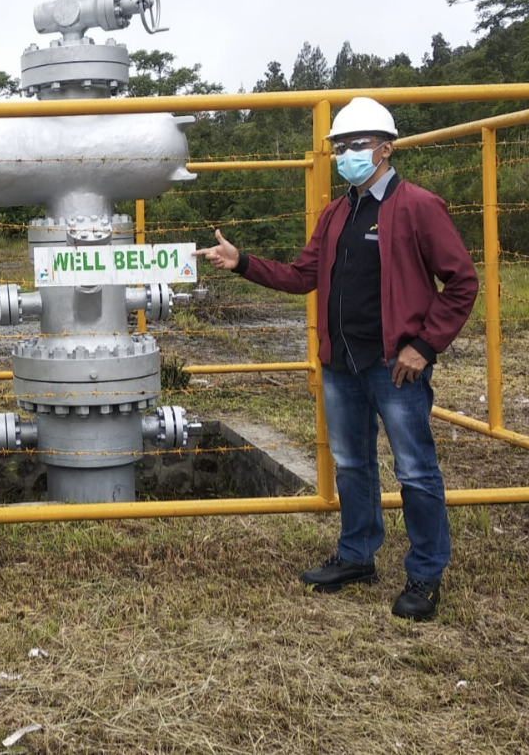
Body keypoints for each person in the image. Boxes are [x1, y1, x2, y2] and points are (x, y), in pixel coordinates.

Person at [194, 97, 479, 621]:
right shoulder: (336, 212)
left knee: (414, 471)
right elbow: (303, 276)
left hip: (394, 364)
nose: (344, 155)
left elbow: (462, 282)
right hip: (341, 364)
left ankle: (425, 574)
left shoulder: (417, 206)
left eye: (355, 145)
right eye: (338, 147)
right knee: (352, 464)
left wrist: (424, 346)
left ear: (385, 149)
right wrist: (242, 263)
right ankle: (356, 556)